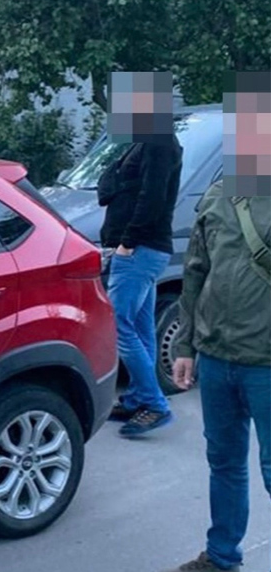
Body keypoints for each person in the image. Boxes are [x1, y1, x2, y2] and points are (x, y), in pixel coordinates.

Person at [154, 179, 270, 572]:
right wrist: (184, 344)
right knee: (224, 462)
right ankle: (221, 562)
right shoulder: (222, 192)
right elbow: (196, 270)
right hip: (219, 356)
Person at [101, 73, 183, 437]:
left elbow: (152, 198)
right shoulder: (145, 140)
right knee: (140, 327)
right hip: (141, 249)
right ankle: (137, 397)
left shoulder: (159, 141)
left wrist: (127, 242)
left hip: (140, 250)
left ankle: (154, 403)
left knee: (119, 324)